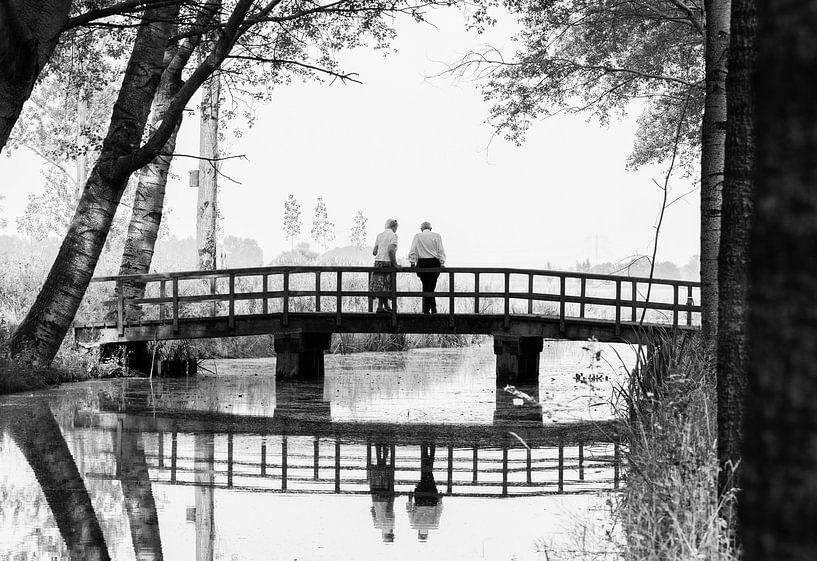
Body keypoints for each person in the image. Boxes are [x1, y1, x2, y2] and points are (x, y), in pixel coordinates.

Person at [408, 221, 446, 314]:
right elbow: (440, 251)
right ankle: (432, 308)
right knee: (431, 286)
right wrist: (442, 262)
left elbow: (413, 250)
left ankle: (427, 309)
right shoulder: (437, 236)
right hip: (434, 263)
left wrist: (412, 262)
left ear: (421, 229)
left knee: (426, 285)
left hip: (422, 263)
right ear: (431, 229)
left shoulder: (417, 236)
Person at [370, 218, 400, 313]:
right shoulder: (393, 235)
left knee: (380, 285)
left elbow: (374, 252)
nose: (396, 229)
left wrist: (381, 250)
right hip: (387, 262)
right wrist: (395, 264)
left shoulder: (379, 235)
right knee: (386, 285)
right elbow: (391, 250)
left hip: (378, 262)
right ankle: (380, 307)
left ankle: (386, 306)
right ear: (394, 227)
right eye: (396, 227)